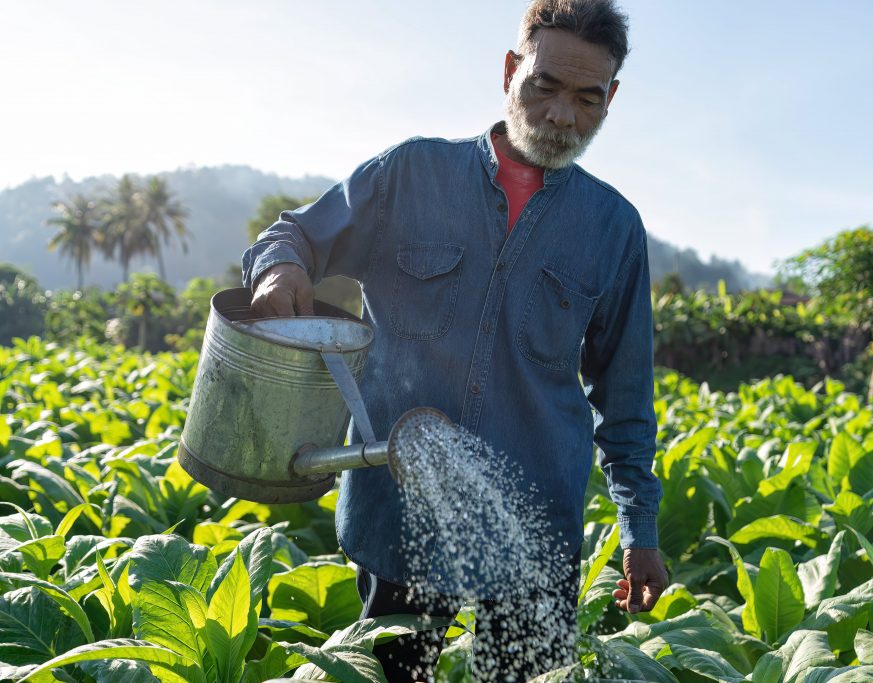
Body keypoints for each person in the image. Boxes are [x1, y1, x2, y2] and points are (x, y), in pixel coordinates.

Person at [241, 0, 668, 679]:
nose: (562, 115)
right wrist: (282, 268)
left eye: (588, 99)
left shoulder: (612, 228)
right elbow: (292, 233)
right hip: (399, 507)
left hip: (533, 521)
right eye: (545, 86)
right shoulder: (411, 174)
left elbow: (626, 396)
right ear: (510, 70)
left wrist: (639, 529)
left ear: (610, 99)